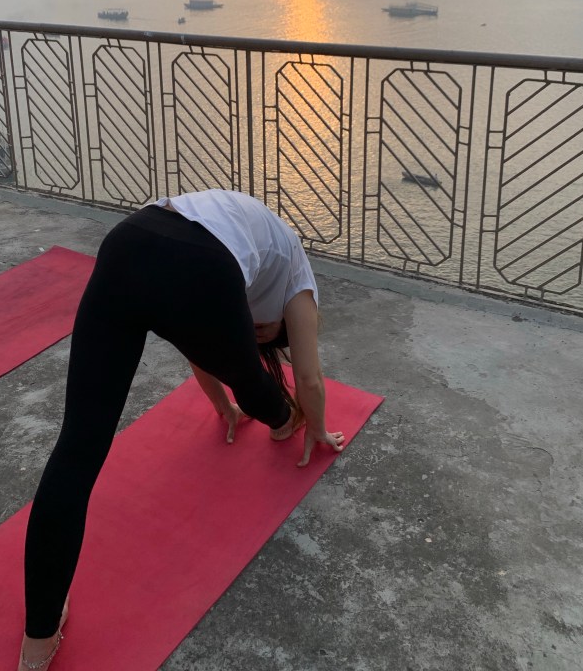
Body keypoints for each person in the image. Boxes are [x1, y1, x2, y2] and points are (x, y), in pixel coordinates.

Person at [17, 189, 344, 670]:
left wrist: (221, 407)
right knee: (258, 393)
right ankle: (283, 420)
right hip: (194, 259)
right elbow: (310, 378)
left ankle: (37, 640)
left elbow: (192, 335)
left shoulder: (268, 267)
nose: (256, 332)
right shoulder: (297, 280)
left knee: (78, 448)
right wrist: (313, 426)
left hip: (129, 242)